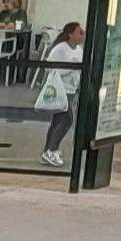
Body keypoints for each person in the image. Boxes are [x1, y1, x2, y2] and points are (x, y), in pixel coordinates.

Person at [36, 21, 90, 167]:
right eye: (80, 32)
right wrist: (68, 70)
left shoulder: (79, 50)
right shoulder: (60, 49)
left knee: (58, 120)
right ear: (70, 34)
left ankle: (48, 149)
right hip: (61, 89)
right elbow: (50, 68)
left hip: (71, 89)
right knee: (66, 120)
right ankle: (51, 149)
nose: (82, 35)